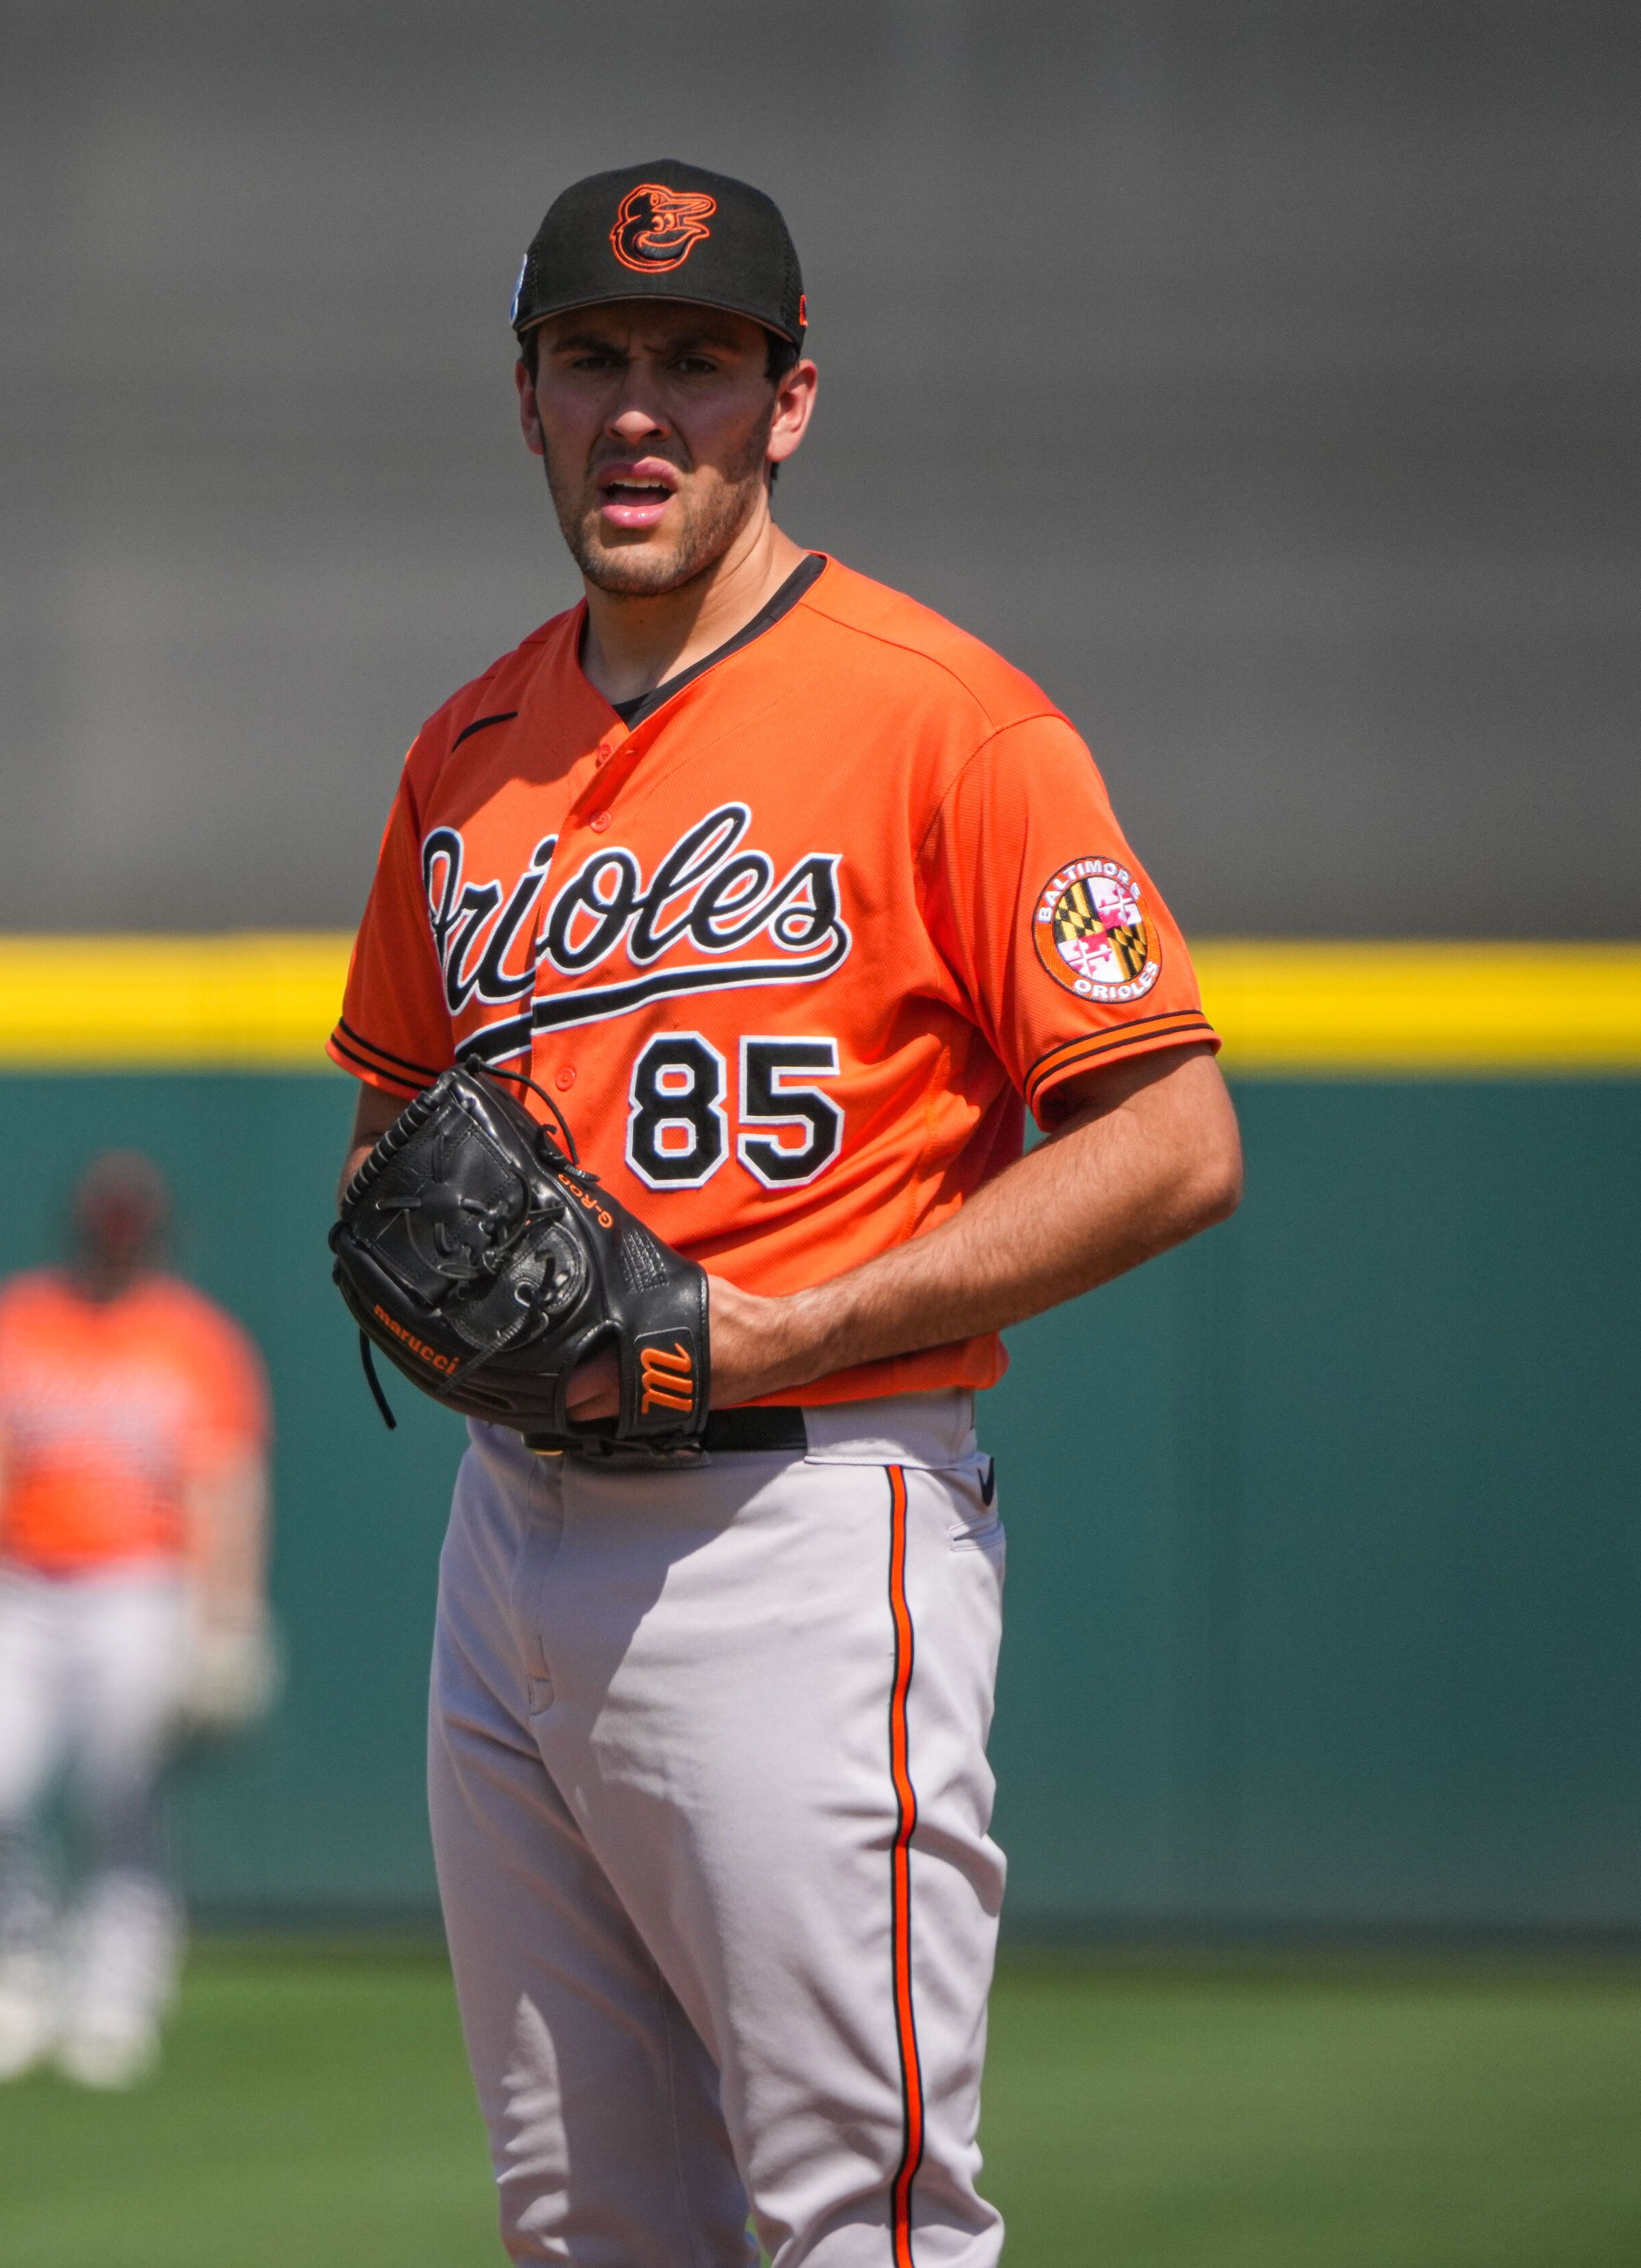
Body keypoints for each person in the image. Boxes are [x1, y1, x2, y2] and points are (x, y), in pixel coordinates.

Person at [327, 163, 1241, 2265]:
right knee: (586, 2225)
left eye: (698, 362)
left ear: (789, 401)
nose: (640, 409)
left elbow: (1175, 1139)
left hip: (808, 1528)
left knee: (863, 2224)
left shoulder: (951, 718)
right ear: (529, 400)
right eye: (594, 360)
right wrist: (433, 1262)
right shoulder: (464, 750)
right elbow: (382, 1130)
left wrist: (781, 1326)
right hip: (511, 1529)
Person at [0, 1151, 273, 2090]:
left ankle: (116, 1988)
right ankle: (19, 1967)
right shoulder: (18, 1318)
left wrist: (228, 1613)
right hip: (15, 1584)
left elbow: (225, 1481)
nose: (118, 1237)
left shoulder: (196, 1339)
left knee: (122, 1794)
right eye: (106, 1220)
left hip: (141, 1587)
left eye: (131, 1222)